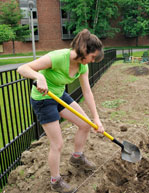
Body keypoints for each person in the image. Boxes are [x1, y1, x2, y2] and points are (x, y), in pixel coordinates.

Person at [17, 29, 105, 193]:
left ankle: (77, 158)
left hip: (58, 95)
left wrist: (96, 118)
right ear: (85, 49)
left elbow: (87, 92)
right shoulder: (58, 57)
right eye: (93, 57)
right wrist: (39, 77)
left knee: (86, 125)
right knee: (57, 144)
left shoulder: (82, 66)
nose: (93, 61)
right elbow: (22, 68)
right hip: (43, 100)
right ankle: (55, 181)